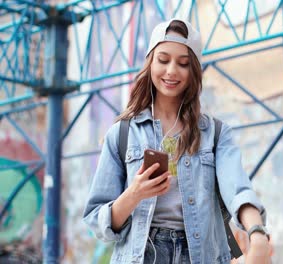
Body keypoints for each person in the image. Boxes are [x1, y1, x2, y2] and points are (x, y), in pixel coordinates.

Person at [83, 18, 270, 264]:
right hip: (142, 256)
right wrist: (134, 193)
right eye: (163, 60)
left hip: (199, 256)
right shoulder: (122, 134)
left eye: (183, 63)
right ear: (150, 63)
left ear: (193, 71)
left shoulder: (215, 133)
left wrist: (257, 234)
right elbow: (97, 221)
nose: (171, 70)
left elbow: (237, 190)